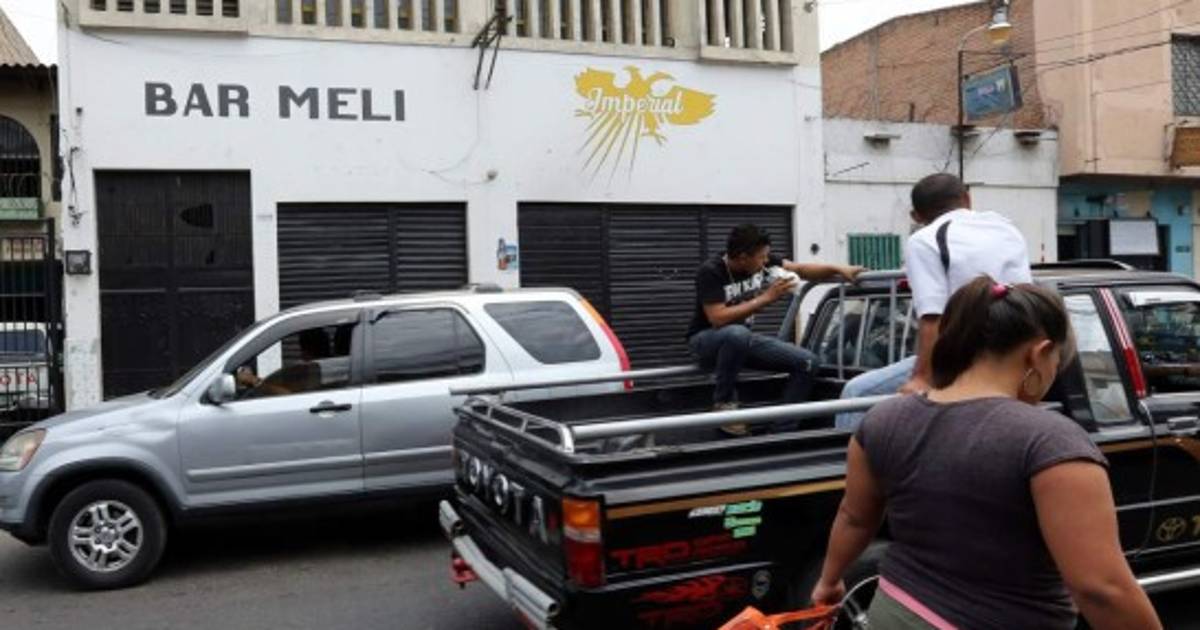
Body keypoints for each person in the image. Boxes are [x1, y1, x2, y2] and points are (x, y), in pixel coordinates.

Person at [810, 277, 1162, 630]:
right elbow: (1101, 589)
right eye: (1057, 360)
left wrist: (829, 580)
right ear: (1039, 353)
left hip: (892, 611)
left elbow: (855, 517)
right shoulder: (1050, 442)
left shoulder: (882, 419)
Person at [835, 173, 1031, 430]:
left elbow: (932, 318)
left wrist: (921, 378)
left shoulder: (924, 240)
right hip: (1018, 350)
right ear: (967, 199)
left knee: (856, 392)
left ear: (916, 216)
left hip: (964, 355)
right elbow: (1027, 294)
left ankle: (850, 456)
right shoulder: (1006, 229)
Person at [687, 223, 862, 435]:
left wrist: (838, 269)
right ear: (743, 257)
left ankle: (783, 432)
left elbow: (800, 269)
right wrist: (766, 298)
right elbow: (717, 318)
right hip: (706, 341)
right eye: (761, 257)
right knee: (736, 333)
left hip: (742, 341)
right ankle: (724, 404)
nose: (765, 262)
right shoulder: (711, 271)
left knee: (807, 363)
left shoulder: (762, 262)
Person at [236, 328, 331, 397]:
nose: (300, 354)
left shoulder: (317, 369)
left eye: (302, 348)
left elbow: (292, 397)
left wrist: (255, 381)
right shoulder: (313, 368)